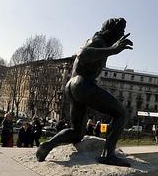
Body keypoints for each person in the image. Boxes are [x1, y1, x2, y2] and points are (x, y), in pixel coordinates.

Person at [36, 18, 133, 166]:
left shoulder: (94, 40)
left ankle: (48, 145)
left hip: (72, 86)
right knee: (121, 113)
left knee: (77, 133)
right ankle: (108, 155)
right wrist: (114, 49)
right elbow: (84, 55)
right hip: (82, 84)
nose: (120, 38)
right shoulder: (99, 41)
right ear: (111, 33)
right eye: (119, 34)